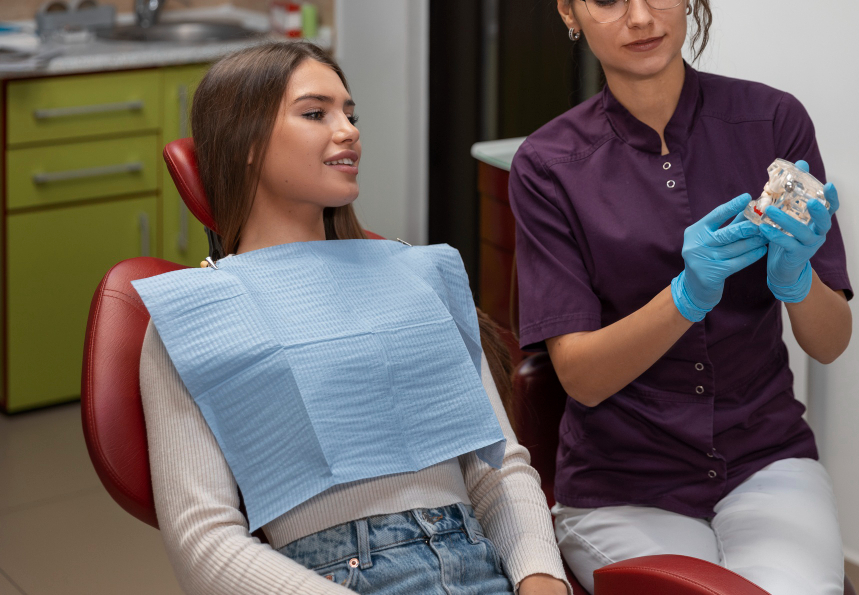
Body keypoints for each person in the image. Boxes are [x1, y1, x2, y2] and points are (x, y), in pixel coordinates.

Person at [138, 42, 569, 595]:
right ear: (245, 140)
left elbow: (497, 468)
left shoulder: (419, 274)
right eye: (315, 113)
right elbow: (204, 542)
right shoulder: (194, 313)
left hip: (482, 568)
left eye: (350, 114)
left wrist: (541, 577)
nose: (348, 131)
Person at [507, 0, 853, 594]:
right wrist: (686, 296)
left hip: (764, 459)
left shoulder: (772, 121)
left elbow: (830, 342)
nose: (641, 17)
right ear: (568, 9)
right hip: (623, 483)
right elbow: (580, 378)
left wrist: (797, 278)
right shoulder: (549, 166)